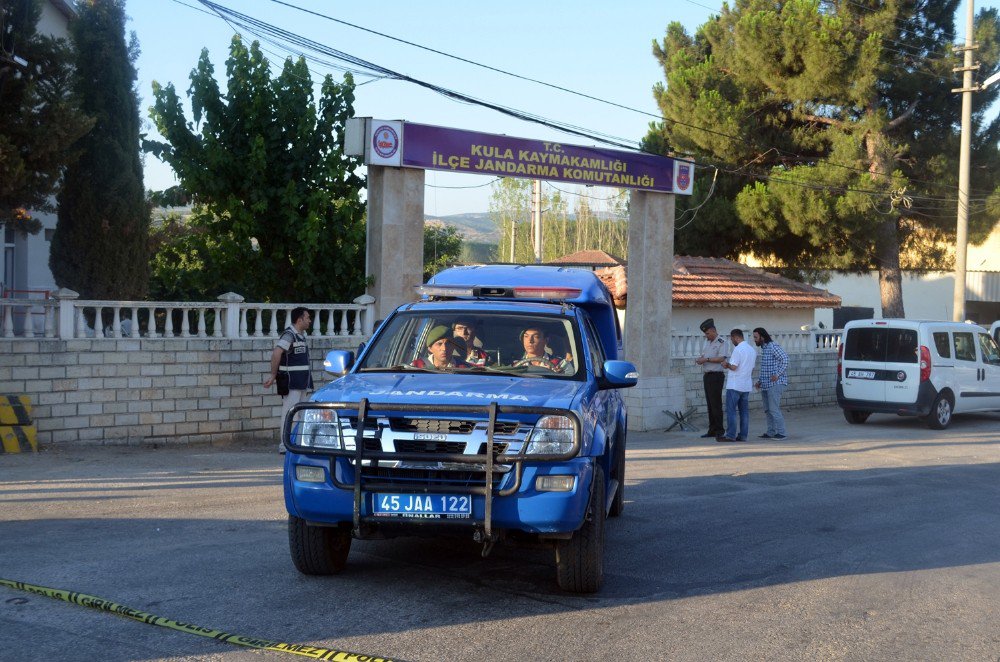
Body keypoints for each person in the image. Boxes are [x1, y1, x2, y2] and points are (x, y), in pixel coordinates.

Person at [264, 307, 313, 453]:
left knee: (299, 414)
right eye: (308, 318)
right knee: (289, 413)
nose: (310, 321)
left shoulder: (300, 336)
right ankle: (285, 445)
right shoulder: (289, 335)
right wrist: (273, 375)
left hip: (302, 382)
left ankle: (295, 443)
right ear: (299, 320)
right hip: (292, 382)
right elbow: (276, 353)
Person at [718, 328, 755, 442]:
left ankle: (730, 435)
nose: (731, 341)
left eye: (732, 339)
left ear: (736, 337)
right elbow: (751, 369)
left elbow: (734, 366)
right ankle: (743, 435)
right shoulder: (752, 350)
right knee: (744, 412)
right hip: (746, 384)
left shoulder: (738, 349)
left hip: (735, 385)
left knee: (731, 411)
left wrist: (726, 364)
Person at [753, 327, 789, 439]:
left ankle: (782, 433)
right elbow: (766, 368)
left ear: (762, 337)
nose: (754, 340)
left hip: (776, 383)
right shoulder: (765, 348)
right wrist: (760, 381)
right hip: (766, 384)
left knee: (773, 409)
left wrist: (777, 374)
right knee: (768, 410)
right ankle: (771, 432)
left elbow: (785, 359)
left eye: (756, 337)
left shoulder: (773, 346)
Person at [694, 318, 727, 439]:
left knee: (716, 404)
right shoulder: (708, 342)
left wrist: (706, 360)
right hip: (707, 375)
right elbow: (705, 356)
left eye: (707, 333)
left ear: (713, 330)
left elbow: (721, 358)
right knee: (710, 404)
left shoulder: (721, 342)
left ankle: (719, 430)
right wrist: (700, 359)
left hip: (716, 376)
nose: (706, 336)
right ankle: (712, 429)